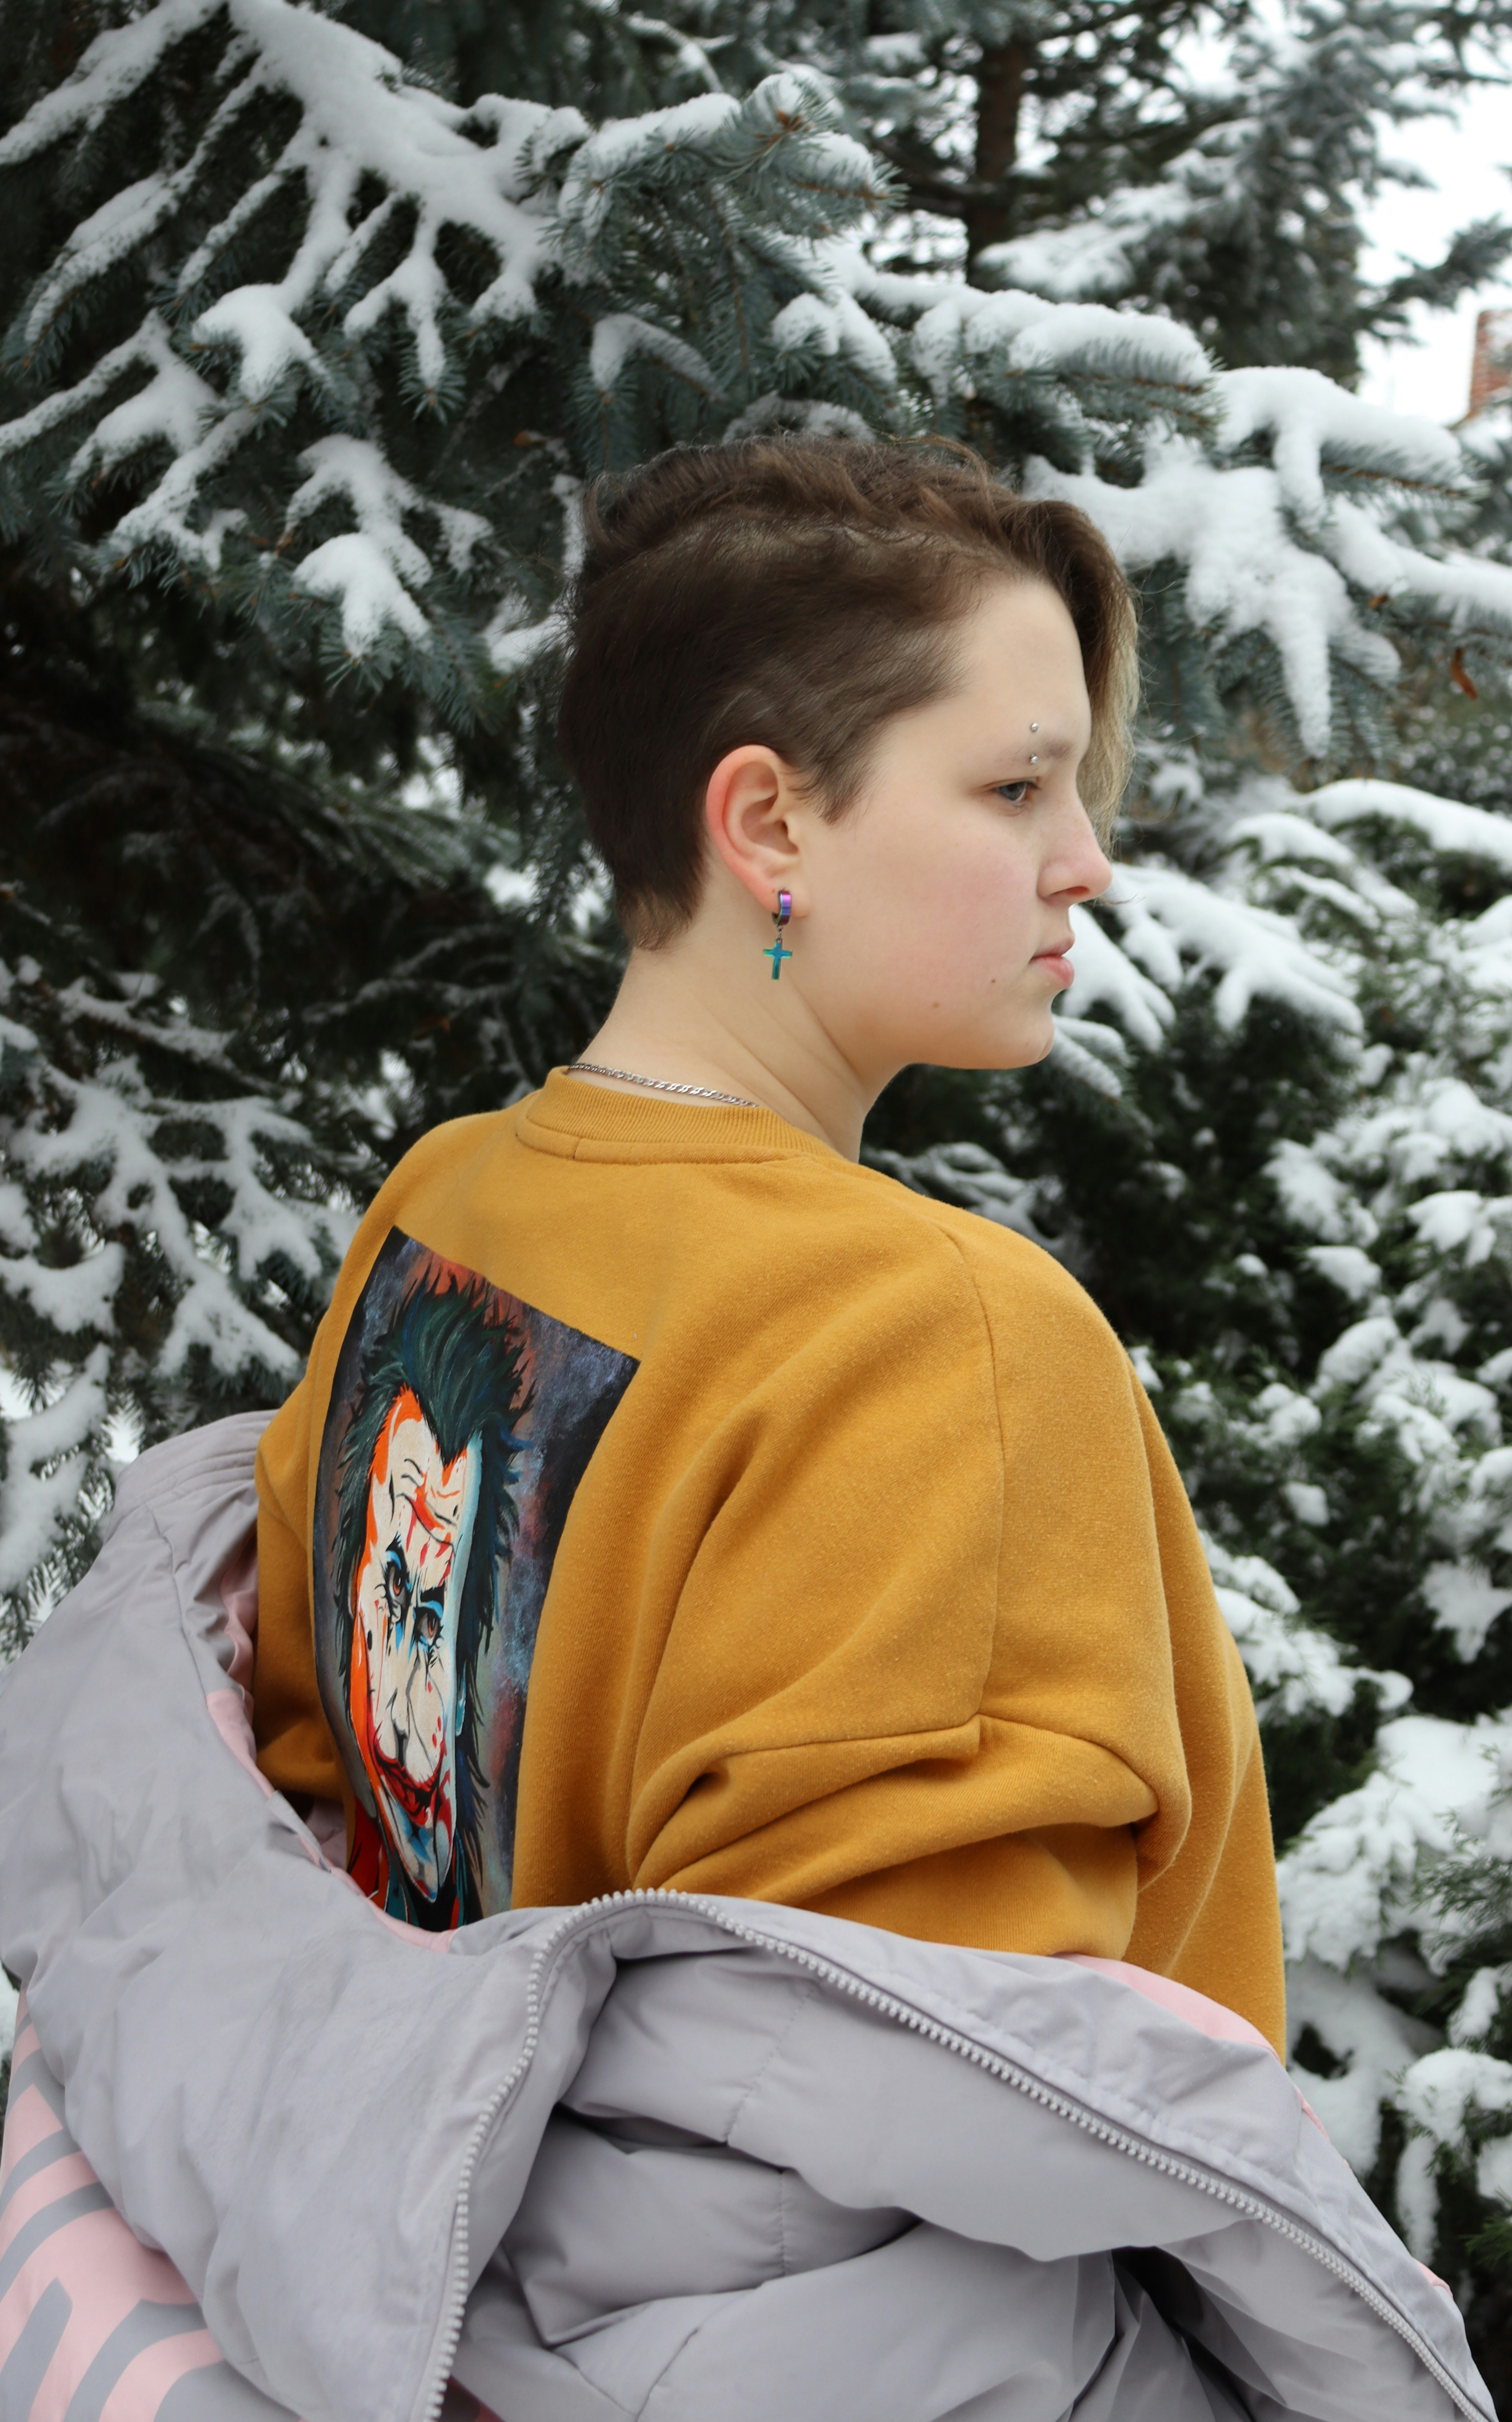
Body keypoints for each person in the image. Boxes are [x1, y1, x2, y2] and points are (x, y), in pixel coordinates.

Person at [250, 434, 1284, 2048]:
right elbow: (954, 2106)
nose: (1088, 861)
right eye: (1017, 787)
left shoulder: (444, 1201)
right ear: (769, 825)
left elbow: (328, 1799)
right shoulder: (932, 1335)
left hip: (404, 2169)